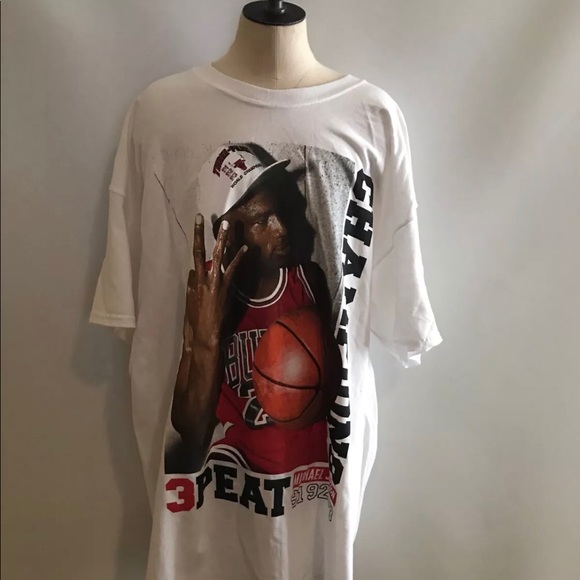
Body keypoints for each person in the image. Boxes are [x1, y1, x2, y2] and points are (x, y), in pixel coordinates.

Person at [165, 143, 342, 475]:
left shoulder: (307, 279)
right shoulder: (203, 289)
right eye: (262, 221)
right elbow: (191, 429)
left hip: (305, 473)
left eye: (278, 213)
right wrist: (207, 338)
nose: (281, 230)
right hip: (235, 473)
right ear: (225, 233)